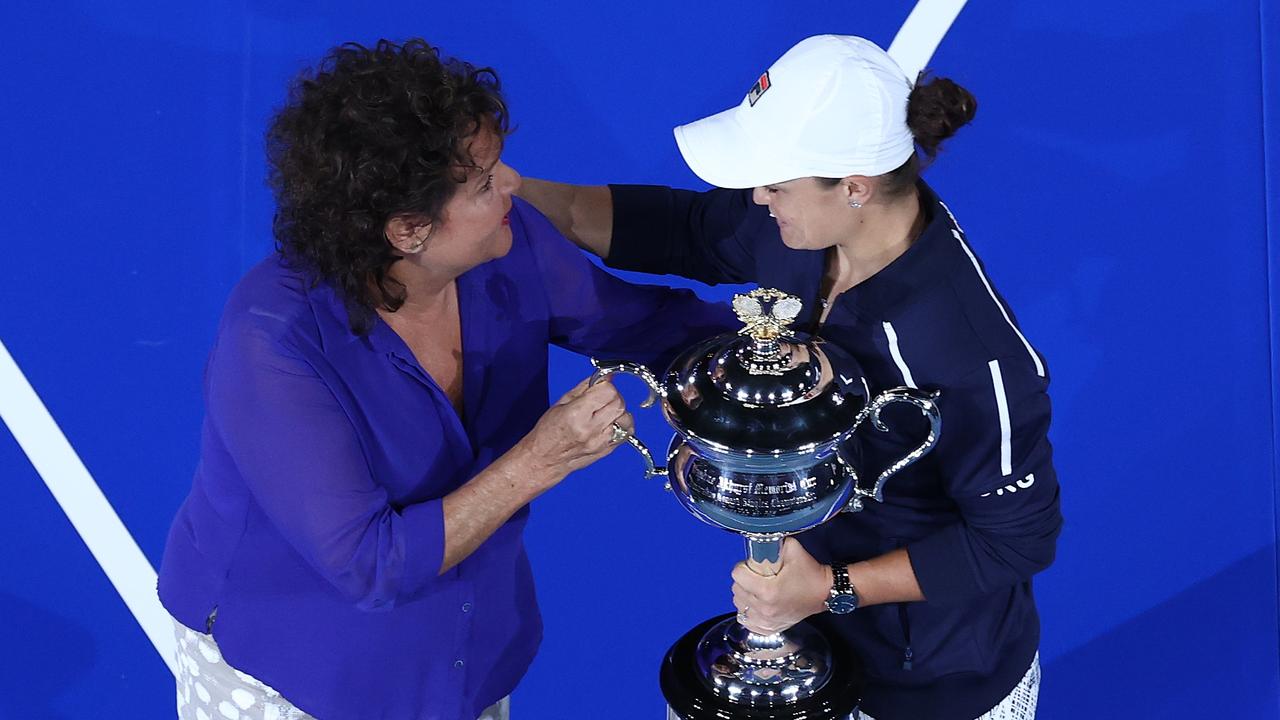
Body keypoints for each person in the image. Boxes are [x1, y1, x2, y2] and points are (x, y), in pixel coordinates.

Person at [156, 39, 733, 720]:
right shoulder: (274, 343)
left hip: (468, 657)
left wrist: (769, 355)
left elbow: (641, 328)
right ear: (408, 230)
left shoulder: (508, 246)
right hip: (294, 674)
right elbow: (370, 563)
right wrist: (541, 460)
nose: (513, 184)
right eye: (485, 181)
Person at [519, 35, 1063, 720]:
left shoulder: (974, 354)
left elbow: (1016, 539)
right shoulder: (799, 230)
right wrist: (528, 198)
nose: (756, 197)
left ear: (855, 187)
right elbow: (685, 229)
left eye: (776, 183)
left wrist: (831, 588)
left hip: (939, 688)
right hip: (810, 636)